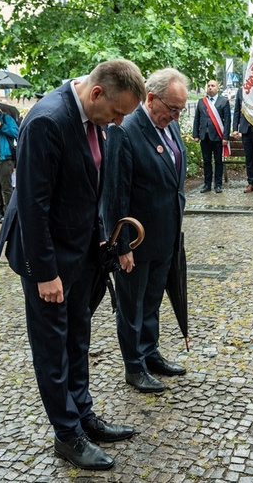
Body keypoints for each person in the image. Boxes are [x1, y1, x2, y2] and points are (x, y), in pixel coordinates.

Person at [0, 59, 145, 471]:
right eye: (116, 112)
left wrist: (101, 240)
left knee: (78, 338)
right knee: (53, 348)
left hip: (81, 253)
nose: (118, 122)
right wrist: (45, 273)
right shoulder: (48, 120)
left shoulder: (94, 119)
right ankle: (67, 434)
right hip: (48, 259)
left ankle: (83, 415)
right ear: (96, 93)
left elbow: (90, 189)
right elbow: (32, 204)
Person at [101, 68, 188, 394]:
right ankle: (134, 366)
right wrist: (121, 246)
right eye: (173, 109)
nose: (176, 116)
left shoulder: (169, 125)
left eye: (180, 110)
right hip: (136, 241)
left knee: (152, 302)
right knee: (131, 307)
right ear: (151, 98)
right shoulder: (125, 129)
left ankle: (150, 353)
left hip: (165, 235)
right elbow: (114, 193)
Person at [193, 79, 230, 193]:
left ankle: (218, 185)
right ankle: (207, 184)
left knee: (218, 161)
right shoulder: (201, 102)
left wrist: (225, 137)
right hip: (204, 136)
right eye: (208, 85)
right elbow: (197, 119)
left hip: (218, 137)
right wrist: (196, 134)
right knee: (206, 161)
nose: (210, 87)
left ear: (217, 88)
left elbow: (227, 121)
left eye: (213, 85)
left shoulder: (223, 101)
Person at [232, 87, 253, 192]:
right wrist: (235, 128)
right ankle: (251, 182)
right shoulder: (241, 91)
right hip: (245, 129)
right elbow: (237, 110)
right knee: (249, 158)